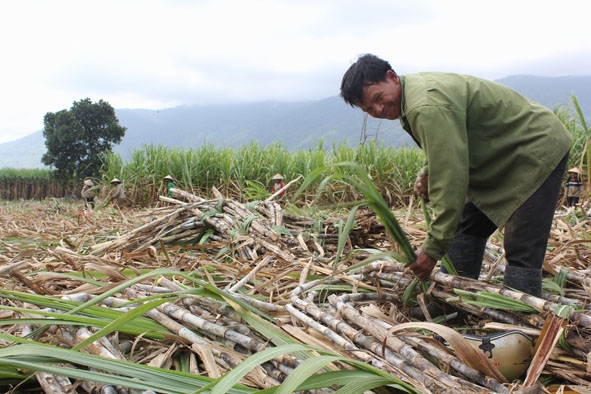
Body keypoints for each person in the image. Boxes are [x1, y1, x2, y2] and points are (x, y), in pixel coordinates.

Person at [340, 54, 572, 301]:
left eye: (378, 98)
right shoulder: (411, 96)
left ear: (391, 77)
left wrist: (432, 249)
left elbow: (450, 180)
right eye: (369, 110)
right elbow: (448, 145)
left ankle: (519, 324)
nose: (379, 110)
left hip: (535, 150)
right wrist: (429, 171)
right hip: (503, 157)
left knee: (521, 245)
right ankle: (453, 302)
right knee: (468, 225)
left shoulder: (424, 106)